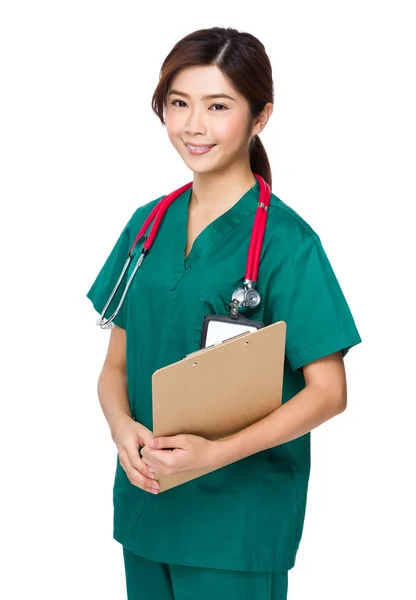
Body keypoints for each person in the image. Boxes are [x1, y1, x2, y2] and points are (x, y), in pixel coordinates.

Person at [86, 26, 362, 600]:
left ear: (260, 117)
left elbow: (328, 391)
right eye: (180, 103)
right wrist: (121, 430)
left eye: (218, 106)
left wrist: (215, 455)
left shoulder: (289, 243)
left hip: (235, 523)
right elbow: (116, 365)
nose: (193, 125)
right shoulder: (147, 225)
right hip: (149, 505)